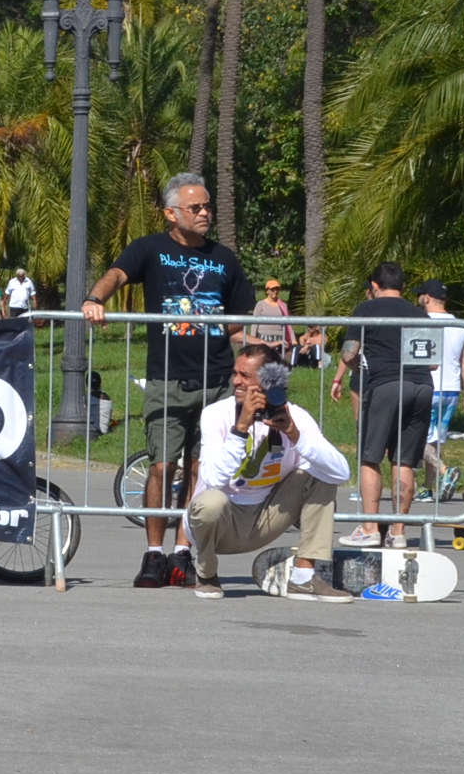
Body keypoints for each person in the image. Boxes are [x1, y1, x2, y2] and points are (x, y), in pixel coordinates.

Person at [81, 173, 254, 589]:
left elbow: (239, 321)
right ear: (171, 213)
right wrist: (93, 299)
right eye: (195, 208)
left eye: (207, 206)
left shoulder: (224, 258)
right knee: (162, 465)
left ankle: (182, 550)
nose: (205, 213)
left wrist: (266, 342)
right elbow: (118, 275)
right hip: (168, 377)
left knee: (199, 469)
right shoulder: (150, 249)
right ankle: (153, 554)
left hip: (216, 381)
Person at [182, 344, 356, 601]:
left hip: (267, 516)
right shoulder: (216, 414)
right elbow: (212, 479)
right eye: (235, 373)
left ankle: (304, 578)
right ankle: (206, 573)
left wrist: (296, 436)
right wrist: (240, 428)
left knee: (321, 473)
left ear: (269, 381)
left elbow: (341, 473)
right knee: (211, 500)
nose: (236, 381)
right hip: (219, 521)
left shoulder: (295, 416)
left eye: (245, 376)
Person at [333, 262, 432, 546]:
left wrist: (353, 370)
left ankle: (370, 528)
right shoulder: (420, 315)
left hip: (385, 385)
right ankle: (399, 532)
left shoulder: (366, 309)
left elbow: (349, 353)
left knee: (370, 455)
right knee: (404, 460)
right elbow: (432, 362)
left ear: (374, 286)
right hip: (422, 386)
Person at [415, 280, 464, 504]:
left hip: (428, 386)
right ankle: (426, 488)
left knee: (416, 436)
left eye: (420, 295)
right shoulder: (462, 326)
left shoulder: (420, 322)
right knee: (435, 441)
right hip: (452, 389)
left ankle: (444, 470)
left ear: (427, 298)